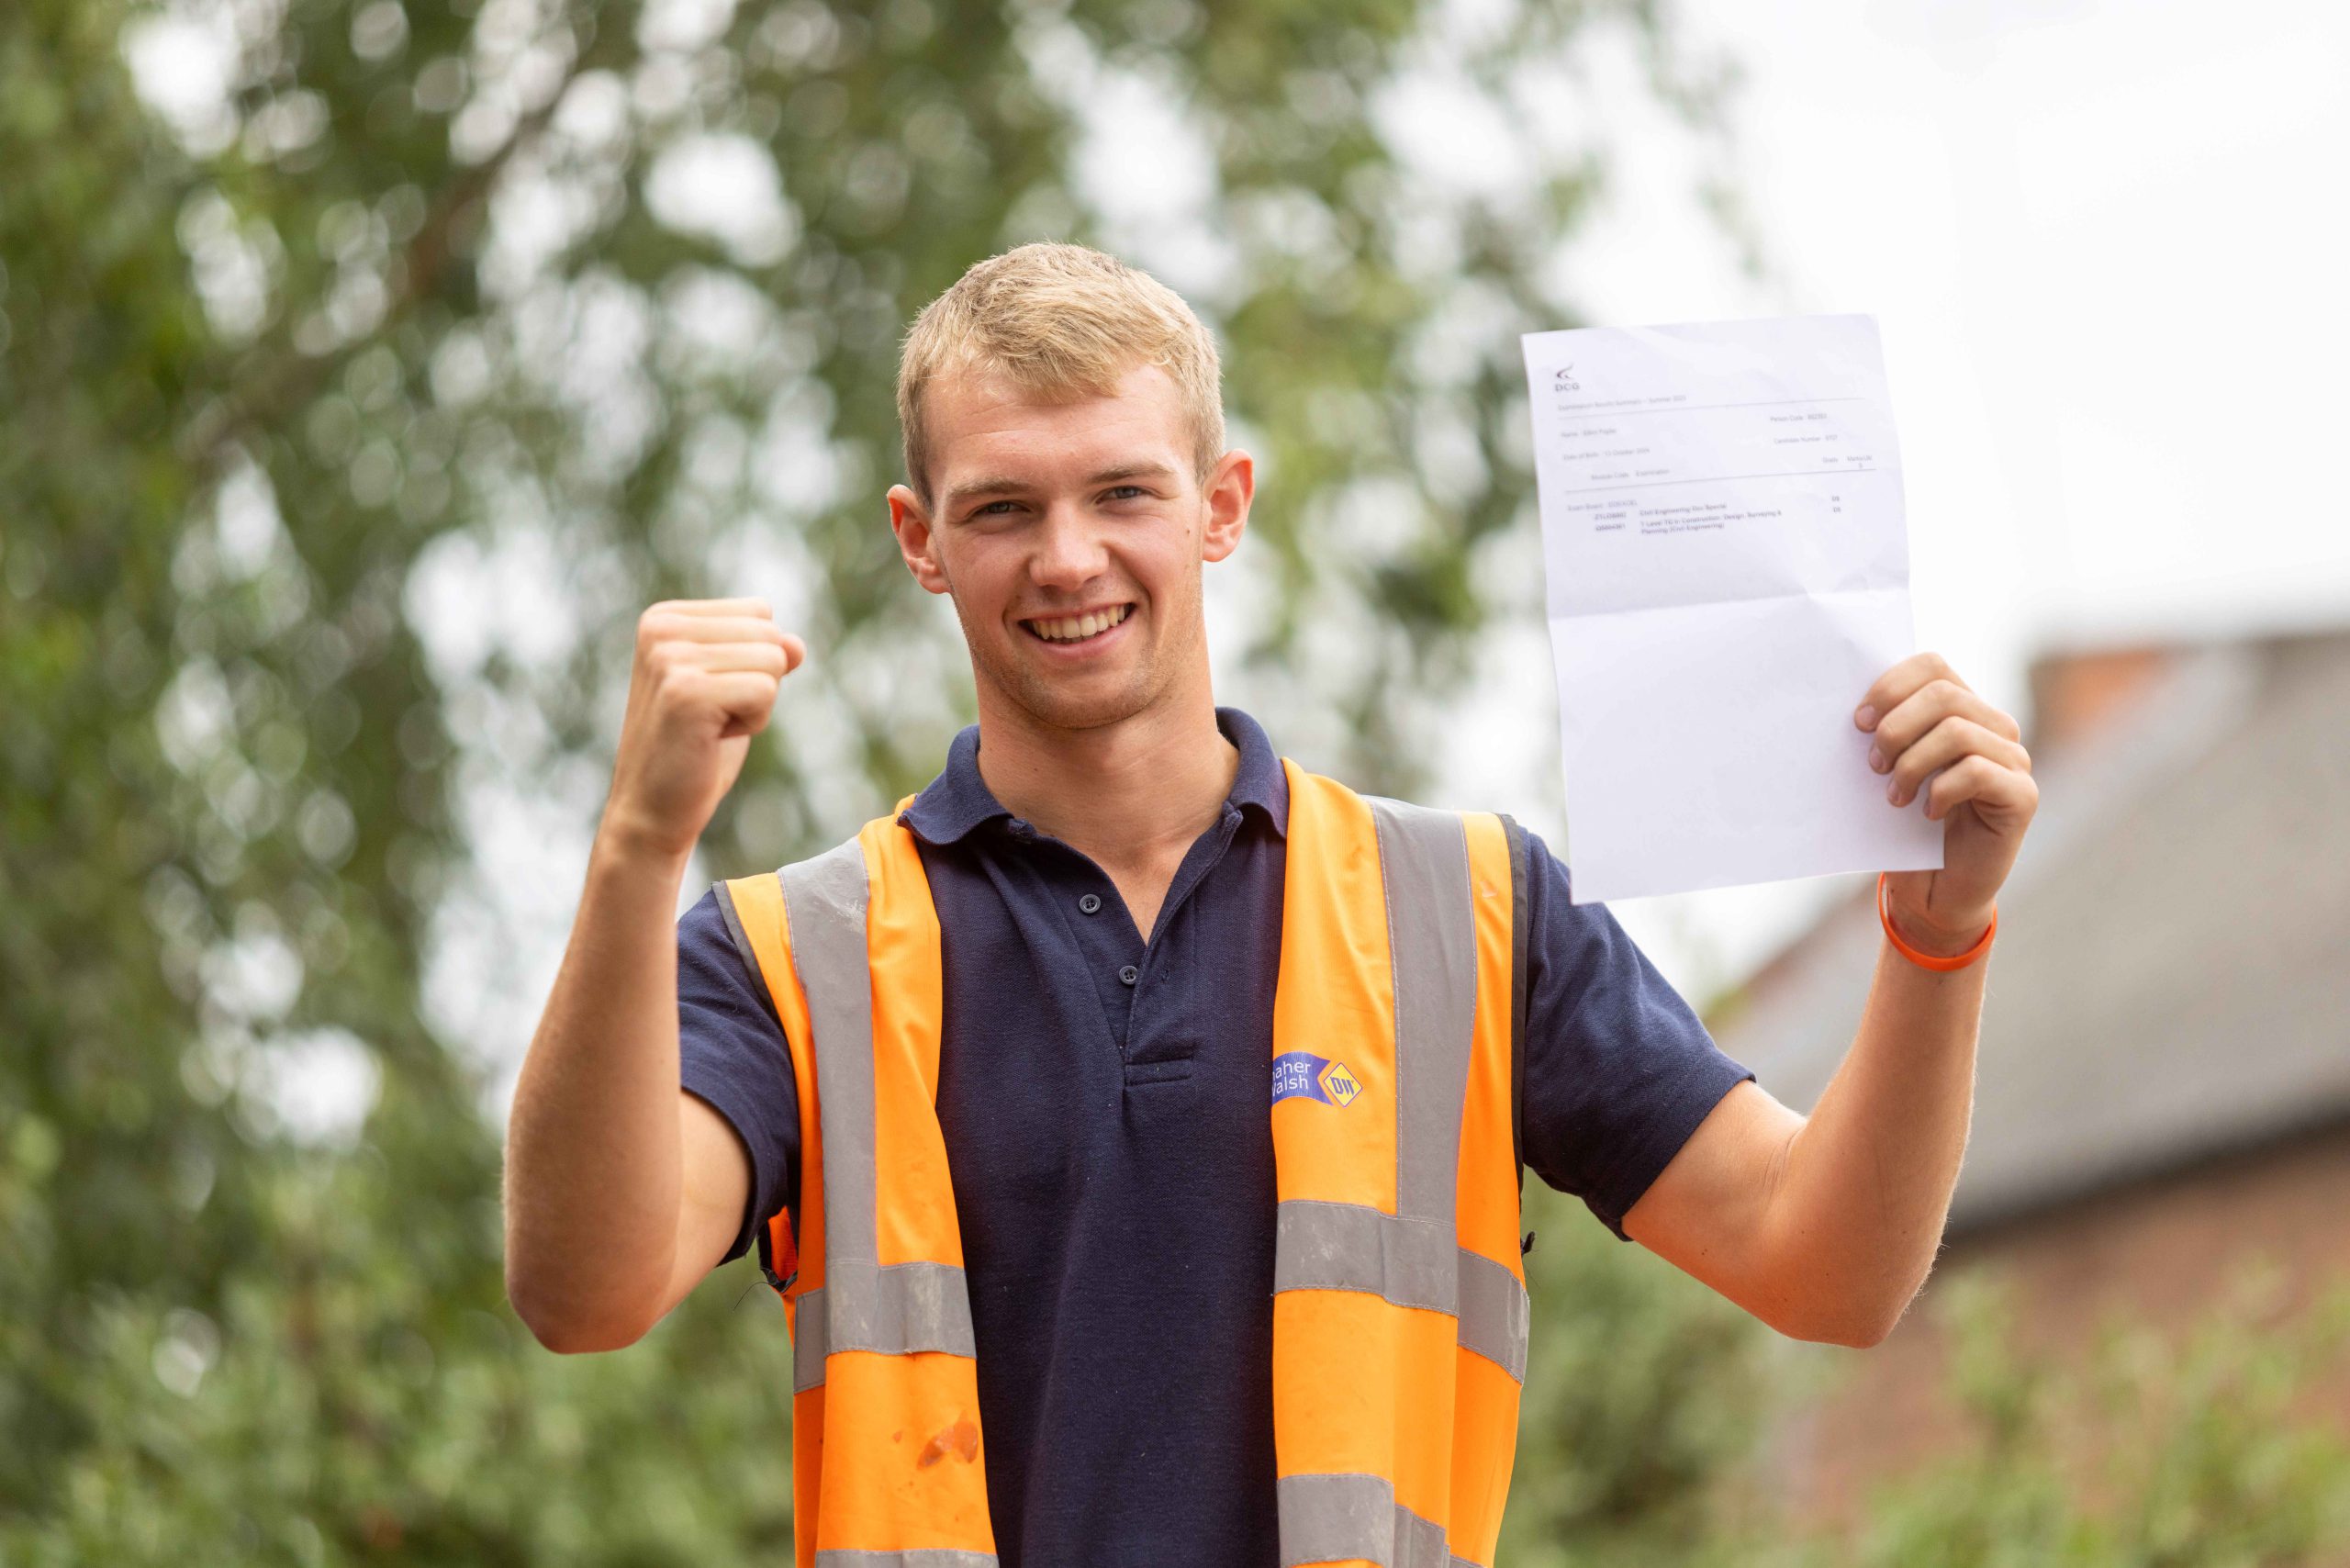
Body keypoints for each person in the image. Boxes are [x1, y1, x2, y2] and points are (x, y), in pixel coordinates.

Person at [502, 243, 2039, 1567]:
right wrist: (640, 851)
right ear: (919, 541)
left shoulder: (1471, 911)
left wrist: (1940, 936)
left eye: (1123, 492)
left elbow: (1827, 1270)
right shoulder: (796, 958)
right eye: (1000, 511)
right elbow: (584, 1292)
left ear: (1221, 504)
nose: (1069, 558)